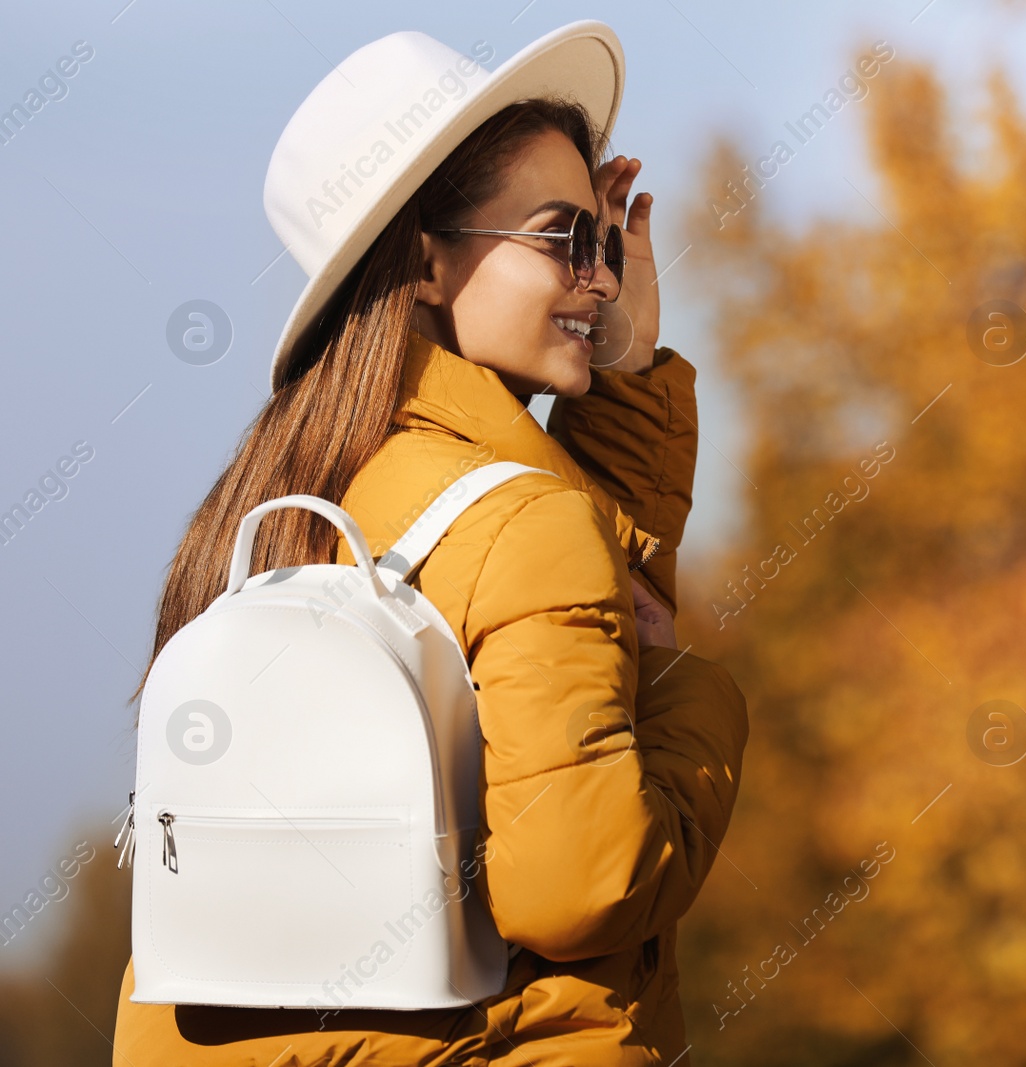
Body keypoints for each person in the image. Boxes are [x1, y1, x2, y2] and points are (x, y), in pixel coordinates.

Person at [112, 24, 748, 1066]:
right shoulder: (528, 522)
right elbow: (579, 887)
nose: (599, 280)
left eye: (601, 239)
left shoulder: (287, 497)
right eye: (562, 238)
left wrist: (623, 369)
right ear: (424, 259)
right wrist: (694, 691)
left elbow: (575, 591)